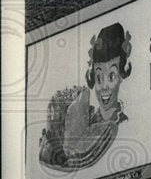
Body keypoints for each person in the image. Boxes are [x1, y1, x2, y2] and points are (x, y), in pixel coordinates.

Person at [38, 22, 132, 171]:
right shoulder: (88, 116)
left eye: (111, 76)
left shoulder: (121, 124)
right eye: (99, 78)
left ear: (122, 75)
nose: (104, 86)